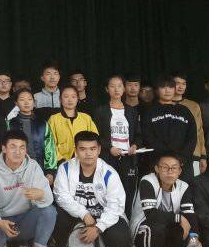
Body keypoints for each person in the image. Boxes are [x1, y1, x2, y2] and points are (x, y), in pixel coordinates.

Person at [51, 131, 128, 247]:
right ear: (76, 150)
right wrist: (84, 214)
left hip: (102, 215)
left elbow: (116, 206)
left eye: (92, 149)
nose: (88, 153)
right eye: (83, 149)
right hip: (76, 215)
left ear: (99, 150)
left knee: (119, 233)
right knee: (55, 215)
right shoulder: (65, 168)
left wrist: (98, 228)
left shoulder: (109, 173)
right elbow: (61, 197)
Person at [0, 131, 56, 247]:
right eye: (13, 147)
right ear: (4, 149)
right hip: (2, 223)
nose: (18, 152)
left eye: (22, 147)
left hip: (25, 221)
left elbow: (48, 199)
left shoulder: (33, 167)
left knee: (50, 211)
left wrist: (41, 194)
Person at [130, 152, 202, 247]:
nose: (170, 171)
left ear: (179, 171)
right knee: (157, 225)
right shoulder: (147, 181)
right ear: (157, 169)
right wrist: (179, 218)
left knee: (183, 229)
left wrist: (194, 241)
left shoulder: (183, 186)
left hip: (166, 233)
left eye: (174, 168)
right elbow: (151, 214)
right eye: (165, 167)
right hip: (143, 232)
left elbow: (190, 216)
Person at [94, 75, 141, 216]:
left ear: (124, 88)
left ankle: (126, 220)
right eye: (112, 86)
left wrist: (135, 146)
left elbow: (138, 134)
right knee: (107, 190)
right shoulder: (101, 110)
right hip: (108, 158)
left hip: (128, 158)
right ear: (107, 89)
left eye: (119, 86)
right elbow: (96, 135)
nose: (116, 89)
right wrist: (109, 148)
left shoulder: (131, 111)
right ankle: (108, 220)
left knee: (128, 191)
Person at [141, 75, 198, 182]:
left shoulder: (184, 111)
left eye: (171, 87)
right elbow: (148, 136)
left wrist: (181, 158)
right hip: (159, 164)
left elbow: (192, 137)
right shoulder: (149, 111)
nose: (167, 90)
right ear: (157, 90)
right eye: (163, 87)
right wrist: (165, 159)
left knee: (185, 191)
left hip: (182, 164)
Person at [43, 85, 98, 180]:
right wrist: (61, 160)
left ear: (77, 99)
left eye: (73, 96)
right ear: (60, 99)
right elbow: (50, 144)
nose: (70, 100)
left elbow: (95, 140)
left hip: (85, 162)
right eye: (66, 96)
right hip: (61, 163)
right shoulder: (54, 119)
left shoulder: (86, 118)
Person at [5, 88, 48, 172]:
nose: (26, 103)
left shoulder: (42, 123)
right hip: (16, 167)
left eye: (29, 99)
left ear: (34, 102)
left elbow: (49, 148)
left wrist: (50, 170)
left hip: (39, 166)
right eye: (22, 100)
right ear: (16, 103)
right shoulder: (10, 123)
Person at [172, 71, 206, 169]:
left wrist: (203, 156)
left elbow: (199, 131)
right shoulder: (164, 105)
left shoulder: (193, 106)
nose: (181, 87)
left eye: (184, 84)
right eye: (177, 83)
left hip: (194, 154)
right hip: (171, 155)